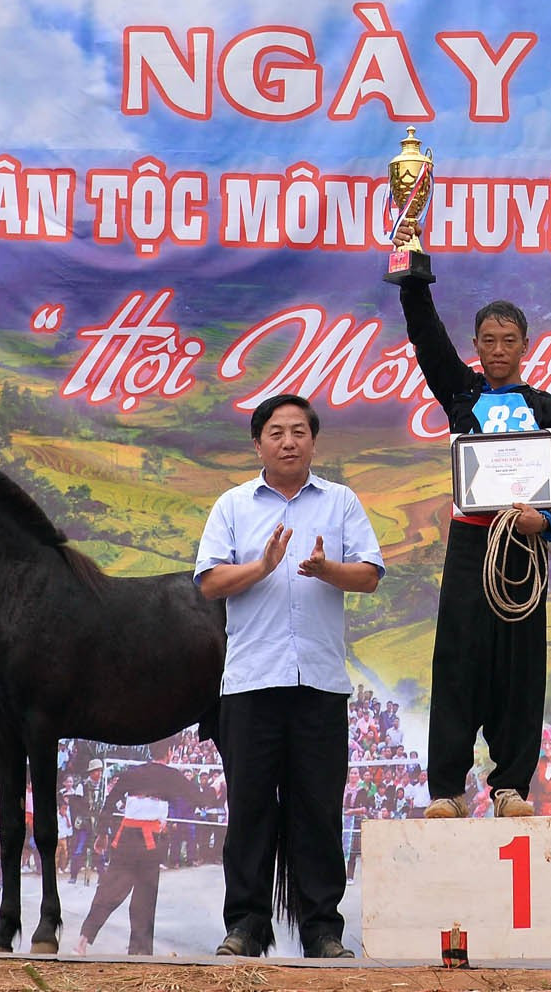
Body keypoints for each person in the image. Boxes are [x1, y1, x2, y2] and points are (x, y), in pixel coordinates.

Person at [393, 229, 551, 819]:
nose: (498, 349)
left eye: (509, 341)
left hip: (523, 550)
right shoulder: (462, 393)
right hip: (469, 543)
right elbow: (426, 339)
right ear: (476, 345)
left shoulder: (547, 408)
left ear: (525, 345)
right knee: (457, 661)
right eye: (488, 340)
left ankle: (510, 786)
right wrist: (412, 272)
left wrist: (546, 521)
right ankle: (448, 790)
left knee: (520, 666)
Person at [196, 394, 384, 959]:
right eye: (276, 432)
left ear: (313, 441)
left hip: (320, 683)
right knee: (250, 808)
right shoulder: (233, 505)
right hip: (251, 680)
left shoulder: (341, 502)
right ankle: (247, 925)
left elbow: (370, 575)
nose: (288, 441)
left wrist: (328, 569)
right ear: (258, 443)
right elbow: (207, 583)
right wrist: (262, 567)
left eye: (298, 431)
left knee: (318, 809)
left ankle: (322, 928)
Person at [75, 738, 210, 956]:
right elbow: (200, 798)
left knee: (110, 889)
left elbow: (110, 802)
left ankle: (83, 939)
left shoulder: (133, 773)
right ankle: (140, 950)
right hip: (150, 844)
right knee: (144, 897)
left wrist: (102, 834)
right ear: (169, 753)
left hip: (125, 838)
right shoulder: (172, 776)